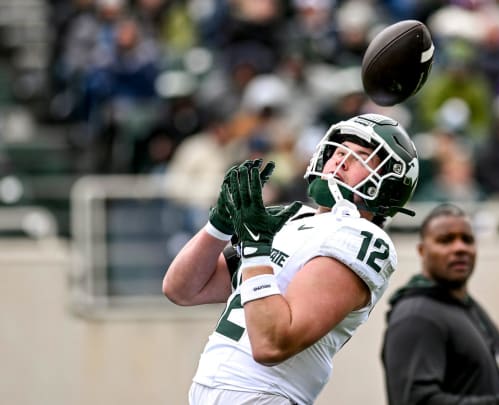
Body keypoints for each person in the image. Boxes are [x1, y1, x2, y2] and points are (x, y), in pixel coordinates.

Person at [162, 113, 420, 405]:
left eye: (361, 157)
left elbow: (271, 344)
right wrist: (218, 227)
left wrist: (256, 246)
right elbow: (182, 289)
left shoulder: (361, 237)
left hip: (263, 396)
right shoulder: (293, 218)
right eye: (338, 151)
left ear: (391, 183)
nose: (340, 160)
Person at [381, 203, 499, 405]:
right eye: (446, 240)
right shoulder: (417, 315)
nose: (460, 248)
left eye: (467, 240)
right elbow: (415, 401)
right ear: (422, 250)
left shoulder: (467, 307)